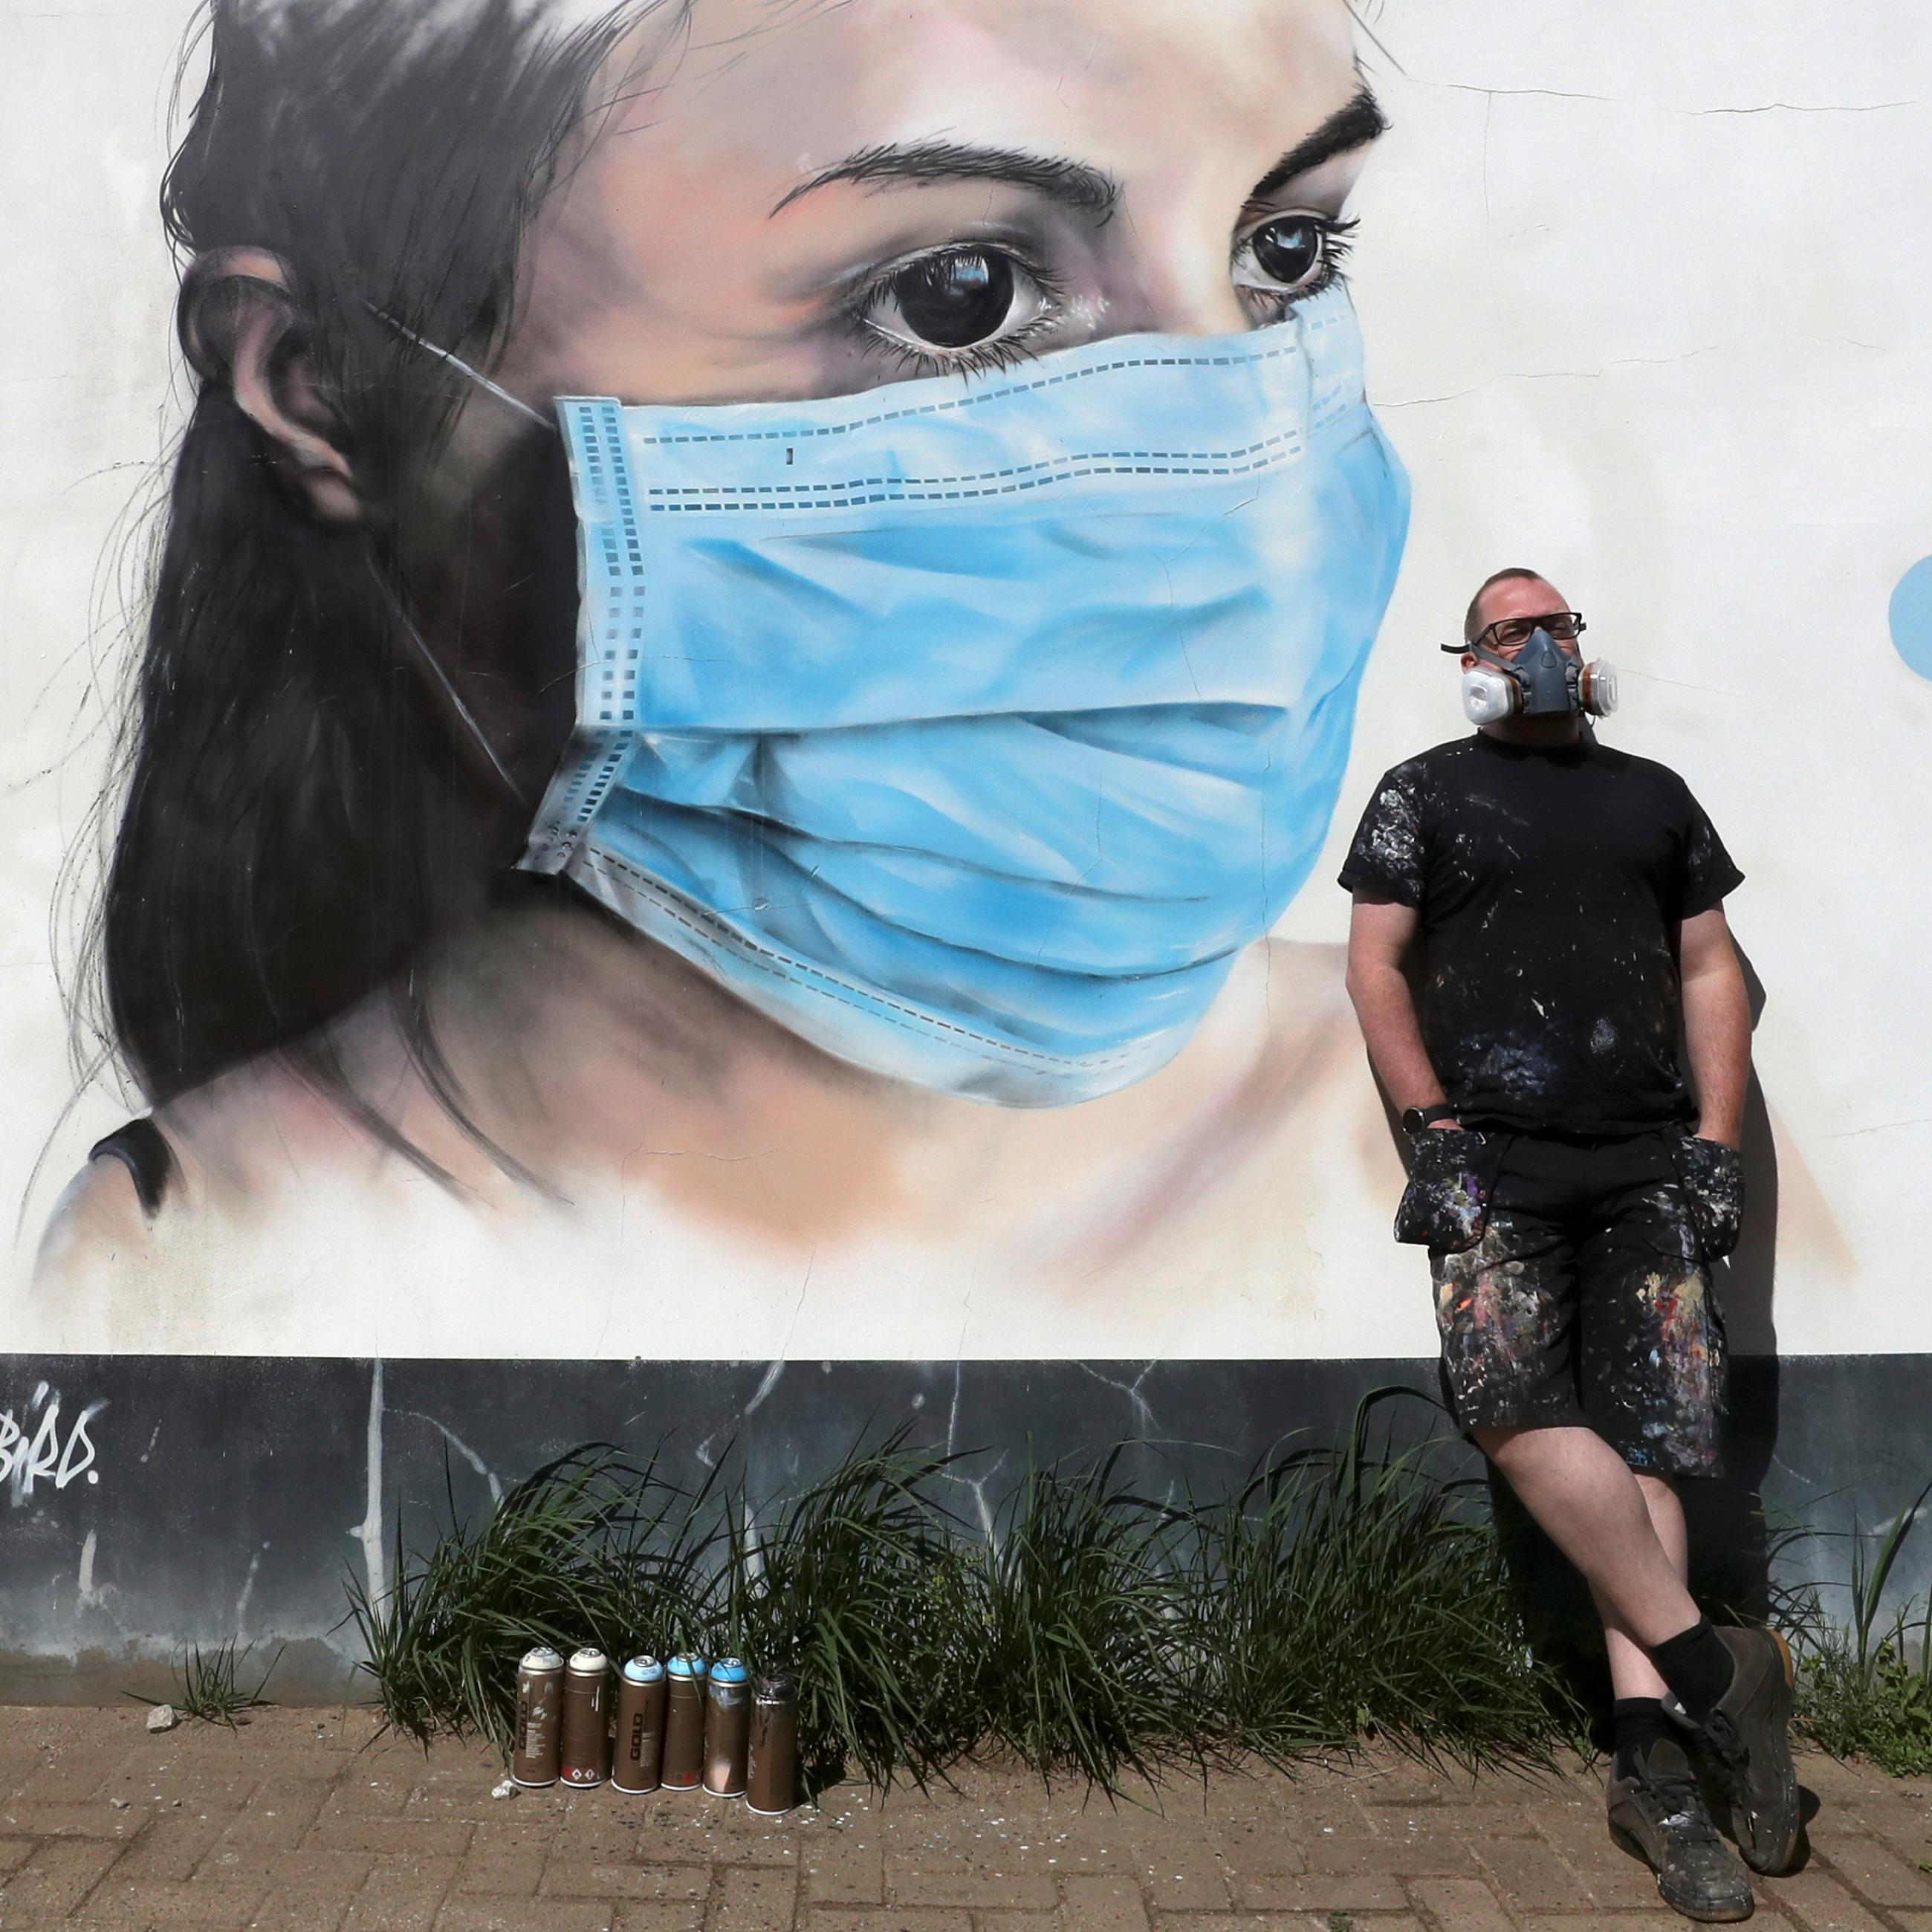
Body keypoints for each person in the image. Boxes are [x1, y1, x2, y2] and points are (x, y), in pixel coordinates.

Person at [40, 0, 1411, 1330]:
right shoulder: (185, 1263)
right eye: (957, 296)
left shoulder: (1454, 1134)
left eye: (1284, 252)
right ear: (326, 386)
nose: (1256, 479)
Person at [1338, 566, 1796, 1923]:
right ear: (1470, 661)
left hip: (1651, 1166)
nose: (1542, 648)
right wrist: (1435, 1134)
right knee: (1509, 1408)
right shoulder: (1423, 793)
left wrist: (1715, 1146)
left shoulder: (1651, 794)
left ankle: (1652, 1763)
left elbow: (1715, 968)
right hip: (1495, 1169)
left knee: (1656, 1438)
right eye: (1511, 632)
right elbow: (1373, 968)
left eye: (1557, 627)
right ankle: (1724, 1677)